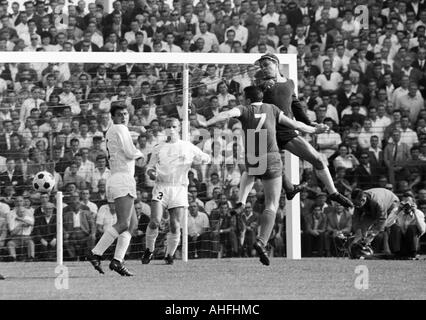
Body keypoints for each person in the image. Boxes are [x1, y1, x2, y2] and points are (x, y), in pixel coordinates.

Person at [202, 86, 328, 265]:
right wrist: (315, 130)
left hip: (253, 156)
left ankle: (240, 201)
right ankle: (262, 242)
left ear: (246, 99)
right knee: (271, 204)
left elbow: (226, 114)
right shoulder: (272, 109)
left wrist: (205, 124)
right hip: (271, 157)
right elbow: (296, 125)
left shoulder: (244, 109)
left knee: (249, 173)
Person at [255, 53, 353, 208]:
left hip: (286, 130)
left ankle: (333, 193)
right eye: (261, 67)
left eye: (266, 65)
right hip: (267, 133)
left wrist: (311, 124)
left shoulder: (289, 83)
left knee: (319, 159)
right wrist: (259, 90)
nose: (264, 69)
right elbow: (250, 103)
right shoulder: (261, 85)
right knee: (267, 168)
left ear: (276, 64)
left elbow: (296, 107)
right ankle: (288, 188)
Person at [142, 118, 210, 265]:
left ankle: (170, 255)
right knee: (155, 221)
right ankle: (149, 250)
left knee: (175, 224)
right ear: (164, 129)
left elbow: (205, 157)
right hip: (161, 186)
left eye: (174, 126)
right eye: (168, 127)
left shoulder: (187, 146)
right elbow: (149, 166)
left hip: (179, 188)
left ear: (179, 128)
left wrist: (202, 159)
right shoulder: (158, 147)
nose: (171, 129)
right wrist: (151, 173)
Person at [88, 103, 144, 276]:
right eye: (120, 114)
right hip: (121, 179)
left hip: (119, 178)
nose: (124, 117)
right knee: (123, 223)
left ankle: (117, 261)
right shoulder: (119, 128)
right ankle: (95, 253)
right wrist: (141, 155)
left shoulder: (115, 130)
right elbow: (129, 151)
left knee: (132, 224)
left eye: (126, 114)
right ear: (113, 117)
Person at [350, 188, 400, 257]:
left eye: (356, 204)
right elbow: (356, 218)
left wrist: (372, 235)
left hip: (391, 204)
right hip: (371, 208)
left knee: (386, 226)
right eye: (354, 203)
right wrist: (358, 232)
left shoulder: (378, 202)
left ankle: (388, 251)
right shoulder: (359, 200)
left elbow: (382, 220)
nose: (355, 206)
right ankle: (358, 250)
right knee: (363, 228)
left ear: (363, 200)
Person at [385, 195, 426, 259]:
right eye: (404, 202)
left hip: (412, 244)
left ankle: (413, 254)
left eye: (409, 202)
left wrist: (415, 213)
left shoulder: (418, 213)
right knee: (395, 227)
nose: (406, 204)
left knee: (412, 228)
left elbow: (422, 230)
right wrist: (398, 211)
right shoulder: (396, 210)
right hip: (399, 243)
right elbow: (387, 225)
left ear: (413, 203)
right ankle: (397, 254)